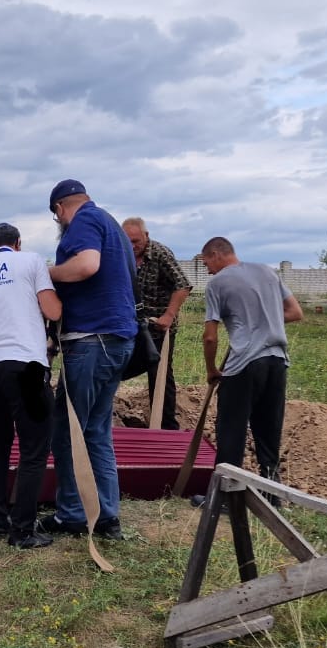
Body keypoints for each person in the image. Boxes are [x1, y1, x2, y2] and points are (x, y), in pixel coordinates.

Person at [39, 179, 137, 540]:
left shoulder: (83, 220)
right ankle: (107, 516)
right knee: (96, 431)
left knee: (68, 430)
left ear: (59, 209)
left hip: (91, 342)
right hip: (117, 341)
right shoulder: (112, 226)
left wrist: (45, 273)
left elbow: (86, 266)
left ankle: (73, 515)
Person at [0, 223, 63, 548]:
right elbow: (52, 310)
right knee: (35, 446)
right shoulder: (31, 261)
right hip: (23, 364)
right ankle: (22, 530)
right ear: (17, 243)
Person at [200, 237, 303, 506]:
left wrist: (211, 370)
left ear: (216, 254)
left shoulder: (218, 283)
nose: (208, 270)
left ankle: (224, 499)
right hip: (277, 361)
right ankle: (272, 495)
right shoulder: (267, 272)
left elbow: (210, 337)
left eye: (207, 263)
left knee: (230, 431)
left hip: (244, 365)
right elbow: (295, 312)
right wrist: (263, 320)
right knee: (268, 431)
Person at [122, 217, 192, 430]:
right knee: (117, 367)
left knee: (160, 375)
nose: (132, 246)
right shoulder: (121, 255)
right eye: (127, 241)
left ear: (146, 236)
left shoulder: (160, 254)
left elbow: (183, 285)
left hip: (158, 329)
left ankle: (166, 426)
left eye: (136, 241)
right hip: (131, 327)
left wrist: (169, 316)